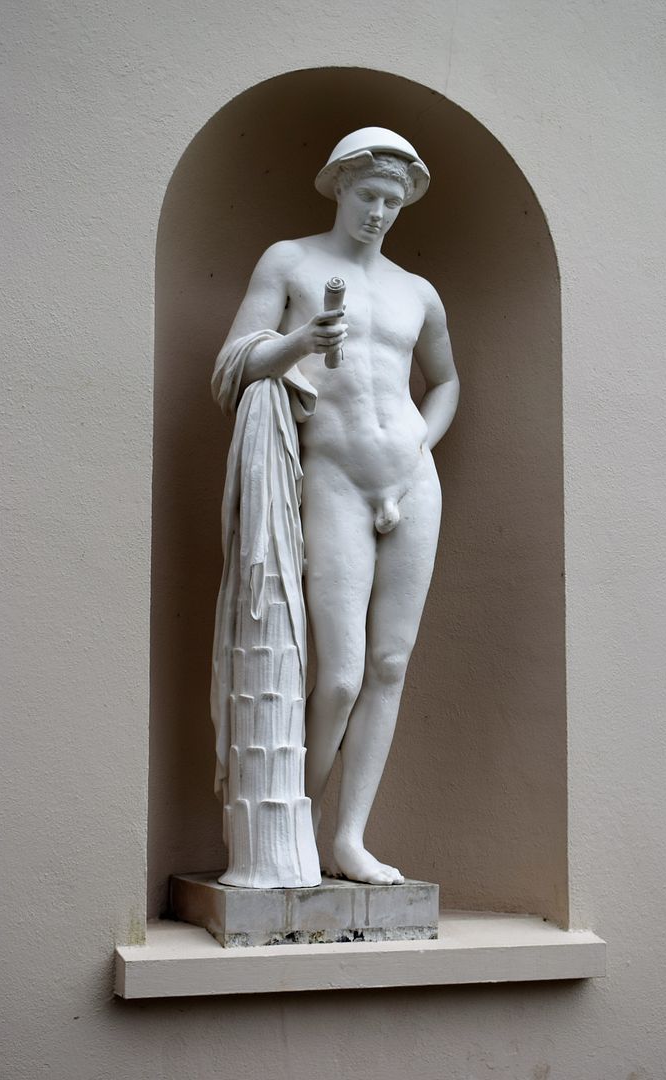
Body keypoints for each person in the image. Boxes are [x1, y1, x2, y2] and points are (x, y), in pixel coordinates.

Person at [214, 128, 459, 885]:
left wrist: (421, 442)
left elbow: (446, 380)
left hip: (412, 483)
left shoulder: (418, 292)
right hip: (334, 478)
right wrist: (299, 343)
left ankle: (348, 838)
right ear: (340, 188)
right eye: (369, 195)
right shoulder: (290, 261)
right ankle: (296, 825)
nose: (380, 212)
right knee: (344, 674)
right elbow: (231, 367)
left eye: (393, 201)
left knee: (390, 663)